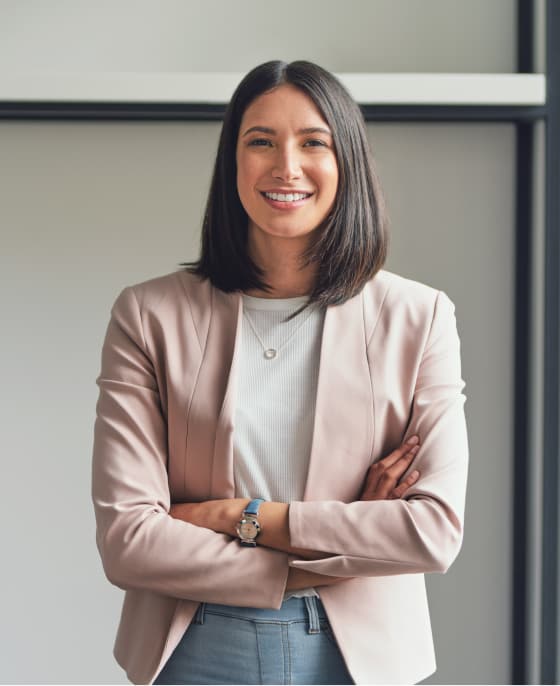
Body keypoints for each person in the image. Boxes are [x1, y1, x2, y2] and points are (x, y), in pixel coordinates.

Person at [92, 60, 468, 685]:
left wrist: (234, 516)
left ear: (345, 161)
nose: (285, 167)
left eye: (312, 142)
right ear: (231, 162)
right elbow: (128, 540)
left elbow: (432, 532)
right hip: (193, 645)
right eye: (260, 140)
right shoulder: (147, 314)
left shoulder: (419, 316)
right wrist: (337, 556)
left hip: (359, 657)